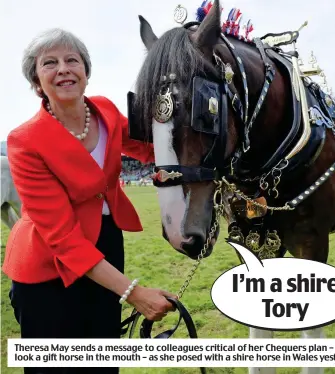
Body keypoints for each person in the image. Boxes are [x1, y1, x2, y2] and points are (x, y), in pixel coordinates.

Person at [2, 28, 176, 374]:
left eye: (72, 60)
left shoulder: (107, 111)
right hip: (47, 264)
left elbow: (148, 148)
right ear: (37, 82)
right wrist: (135, 294)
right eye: (49, 63)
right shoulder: (24, 141)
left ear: (85, 71)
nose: (63, 68)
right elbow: (63, 238)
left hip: (107, 244)